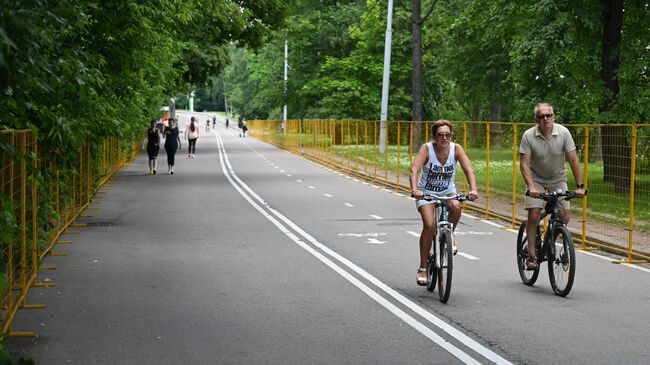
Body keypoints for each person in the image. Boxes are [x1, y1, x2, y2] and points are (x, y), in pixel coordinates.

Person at [409, 120, 478, 286]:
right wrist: (415, 189)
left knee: (456, 206)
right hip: (426, 192)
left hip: (447, 191)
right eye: (440, 134)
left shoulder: (456, 149)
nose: (444, 138)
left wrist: (473, 189)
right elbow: (414, 170)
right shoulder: (427, 149)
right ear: (434, 136)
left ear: (451, 136)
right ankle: (423, 267)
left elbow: (468, 169)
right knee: (430, 225)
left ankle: (450, 234)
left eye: (447, 134)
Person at [519, 103, 586, 269]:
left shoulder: (563, 133)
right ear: (536, 119)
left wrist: (579, 186)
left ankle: (551, 239)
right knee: (534, 214)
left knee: (564, 215)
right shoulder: (528, 135)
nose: (545, 119)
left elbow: (573, 160)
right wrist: (531, 186)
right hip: (536, 179)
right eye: (541, 116)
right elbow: (524, 164)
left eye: (548, 115)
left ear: (554, 117)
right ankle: (532, 256)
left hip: (557, 178)